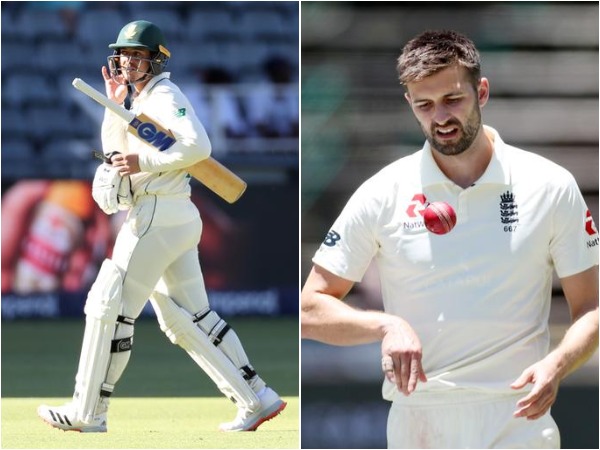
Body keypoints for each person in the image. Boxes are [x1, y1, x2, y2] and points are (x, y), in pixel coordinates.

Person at [301, 30, 598, 449]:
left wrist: (557, 364)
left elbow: (591, 308)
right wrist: (386, 324)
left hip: (519, 419)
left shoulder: (550, 185)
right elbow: (309, 309)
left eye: (452, 100)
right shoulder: (382, 191)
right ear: (409, 105)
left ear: (482, 91)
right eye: (424, 105)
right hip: (419, 423)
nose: (440, 117)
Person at [38, 20, 286, 433]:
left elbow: (197, 147)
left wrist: (143, 163)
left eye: (138, 56)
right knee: (187, 318)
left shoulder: (165, 94)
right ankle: (256, 396)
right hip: (173, 216)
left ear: (157, 60)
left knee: (109, 306)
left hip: (157, 214)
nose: (129, 63)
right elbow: (117, 152)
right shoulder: (138, 101)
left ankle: (88, 411)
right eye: (124, 56)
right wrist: (114, 106)